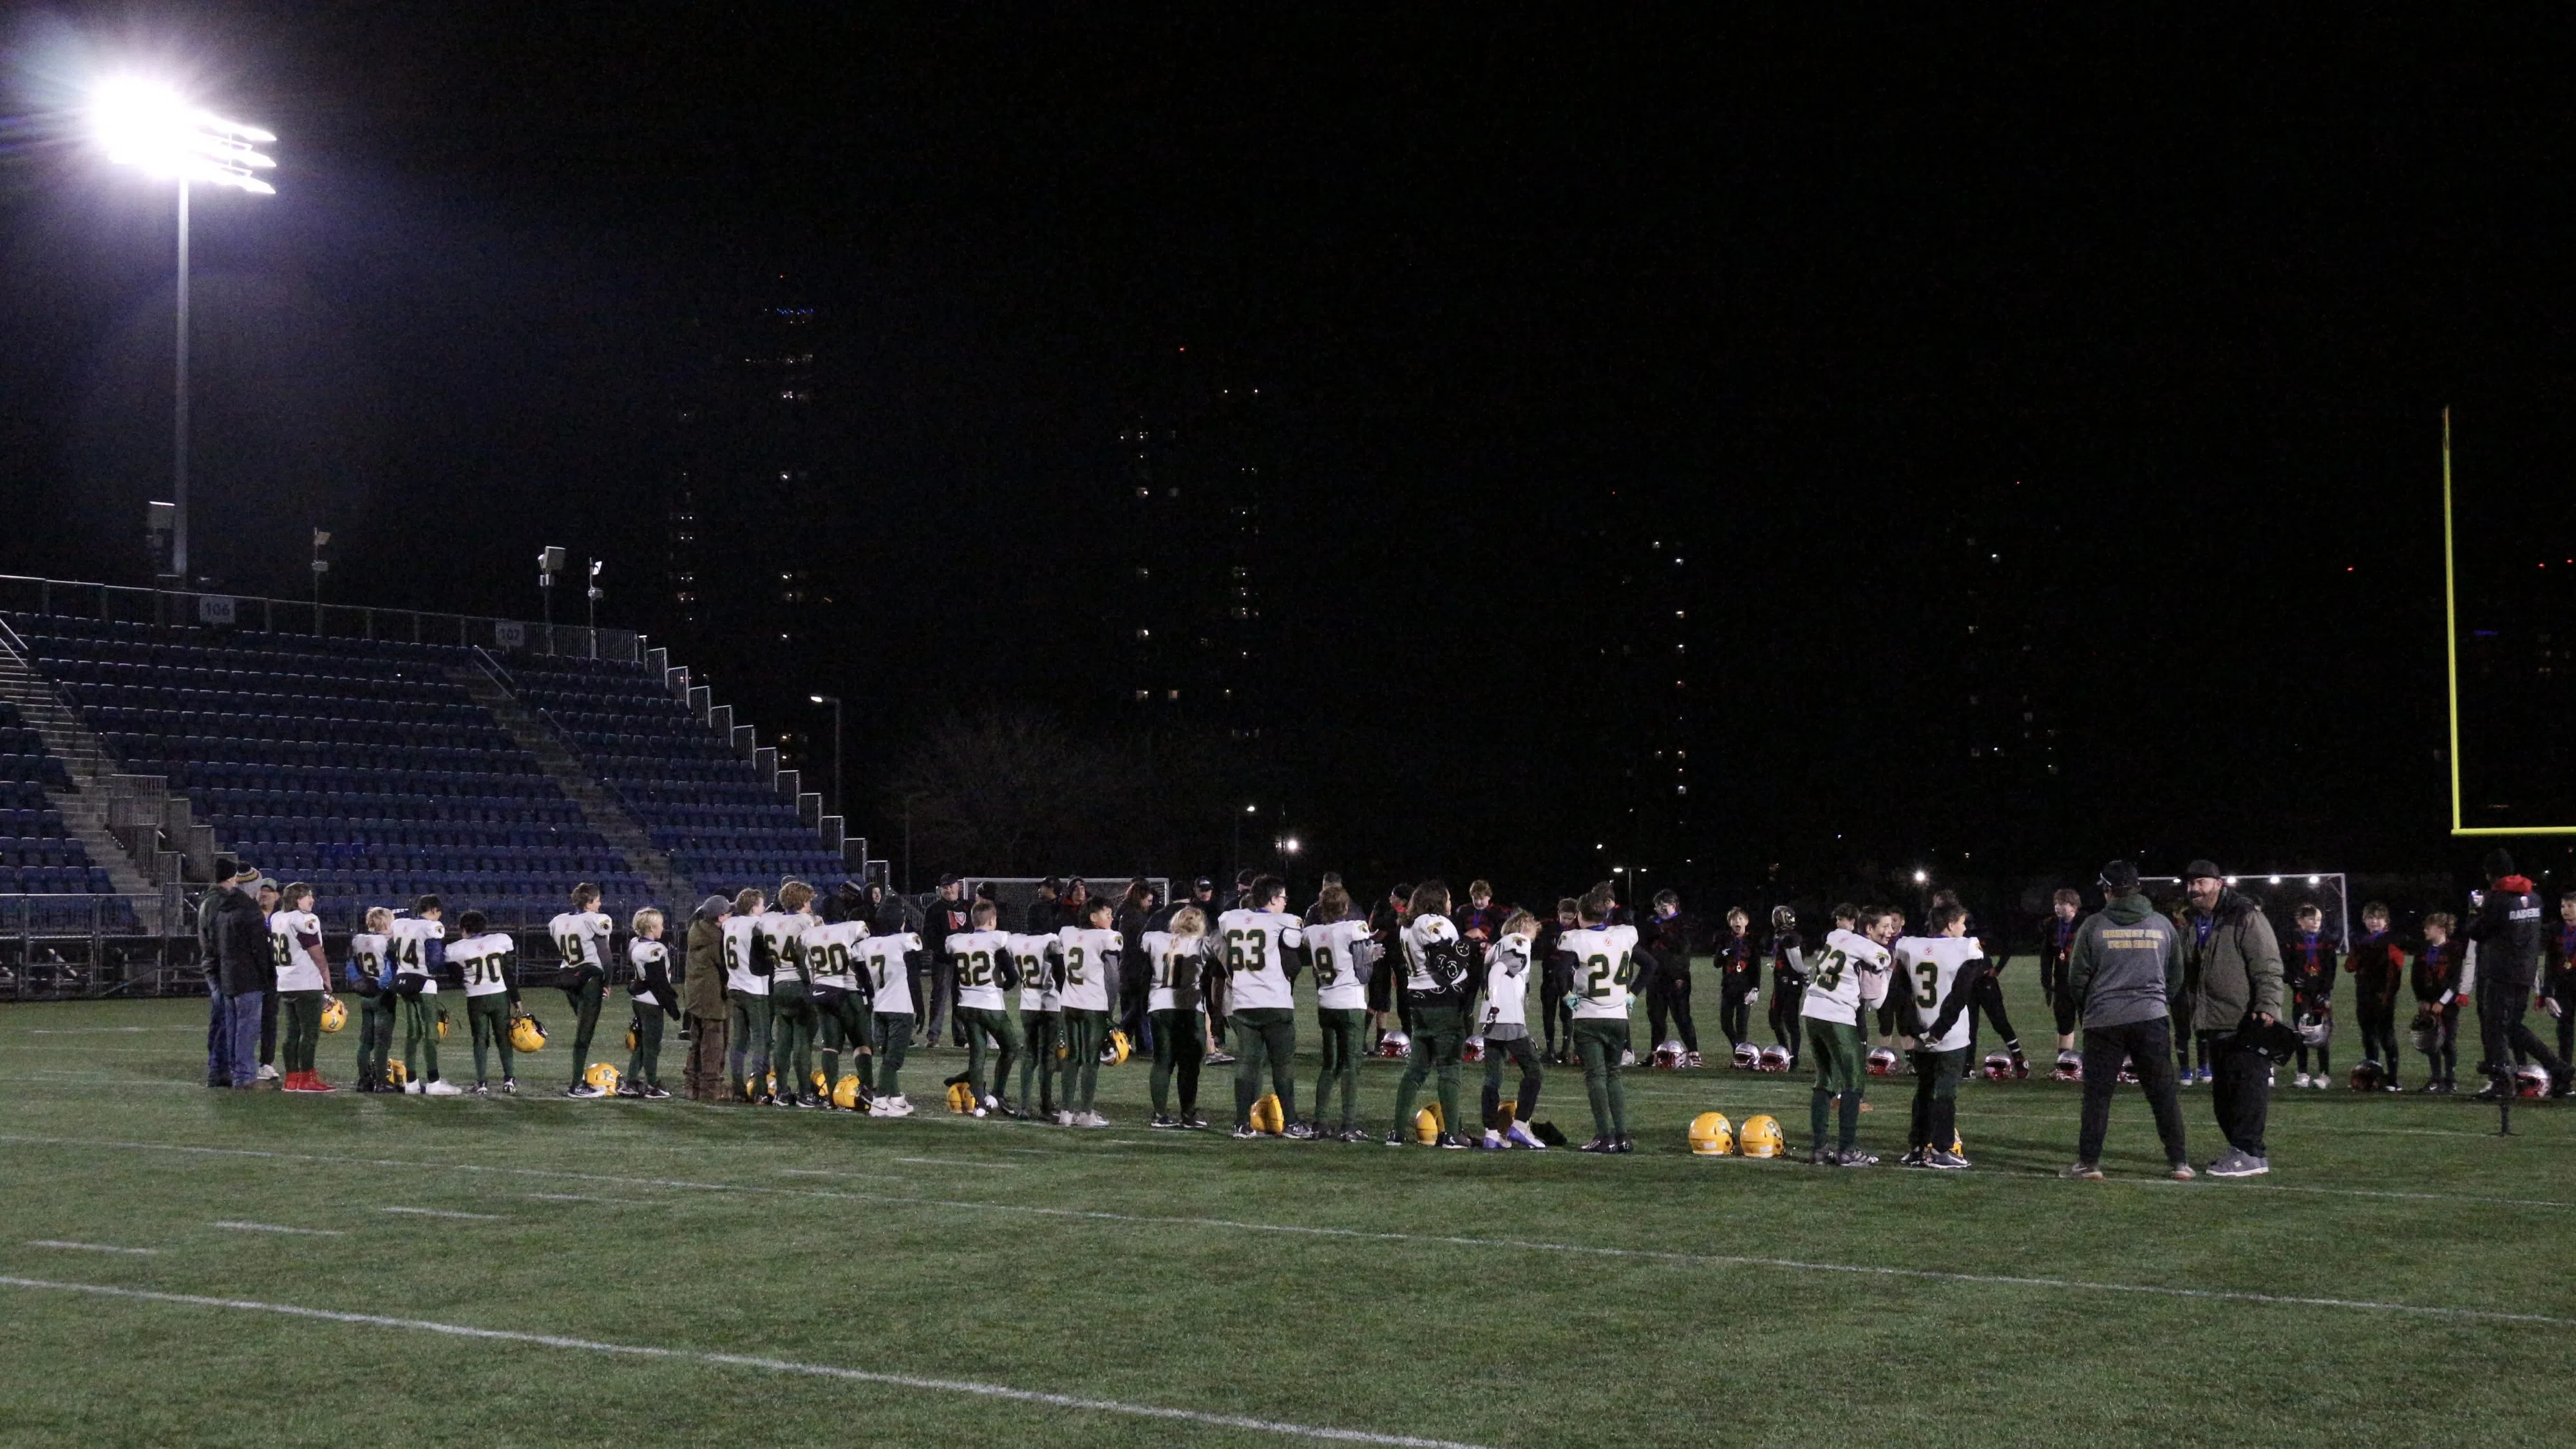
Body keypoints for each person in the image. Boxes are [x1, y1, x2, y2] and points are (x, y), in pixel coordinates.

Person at [2060, 861, 2192, 1180]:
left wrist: (2089, 1007)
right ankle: (2180, 1163)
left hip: (2104, 1020)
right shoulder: (2162, 924)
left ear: (2108, 890)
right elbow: (2176, 977)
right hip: (2151, 1018)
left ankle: (2090, 1163)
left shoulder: (2093, 925)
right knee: (2162, 1093)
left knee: (2098, 1096)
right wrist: (2156, 1002)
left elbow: (2076, 978)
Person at [2177, 861, 2285, 1178]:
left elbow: (2268, 965)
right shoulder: (2196, 922)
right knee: (2224, 1096)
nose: (2194, 888)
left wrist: (2267, 1006)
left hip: (2247, 1019)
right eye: (2190, 883)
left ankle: (2252, 1154)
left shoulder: (2246, 916)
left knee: (2248, 1090)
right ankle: (2239, 1150)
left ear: (2219, 884)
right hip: (2214, 1020)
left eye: (2201, 882)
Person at [2463, 849, 2573, 1101]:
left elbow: (2477, 932)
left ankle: (2503, 1081)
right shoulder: (2534, 897)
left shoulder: (2497, 899)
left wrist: (2474, 910)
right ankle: (2559, 1068)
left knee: (2495, 1027)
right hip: (2525, 971)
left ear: (2491, 874)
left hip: (2501, 972)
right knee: (2512, 1026)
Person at [1893, 901, 1987, 1169]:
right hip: (1950, 1034)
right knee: (1945, 1093)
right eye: (1962, 923)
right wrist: (1940, 1030)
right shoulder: (1964, 947)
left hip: (1921, 1033)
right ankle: (1942, 1151)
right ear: (1950, 924)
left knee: (1923, 1091)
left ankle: (1917, 1147)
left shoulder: (1909, 946)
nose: (1965, 928)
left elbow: (1900, 993)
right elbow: (1960, 994)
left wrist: (1915, 1030)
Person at [1803, 904, 1896, 1166]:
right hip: (1838, 1016)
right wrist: (1887, 965)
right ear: (1868, 927)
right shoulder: (1866, 947)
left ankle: (1819, 1149)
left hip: (1812, 1011)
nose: (1890, 931)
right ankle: (1847, 1150)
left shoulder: (1835, 936)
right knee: (1854, 1083)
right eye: (1885, 926)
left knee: (1824, 1081)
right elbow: (1876, 997)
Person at [1217, 875, 1309, 1138]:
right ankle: (1291, 1123)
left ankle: (1241, 1124)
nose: (1285, 903)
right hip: (1275, 1001)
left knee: (1246, 1064)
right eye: (1282, 898)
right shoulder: (1285, 922)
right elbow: (1293, 960)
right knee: (1283, 1066)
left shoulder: (1229, 919)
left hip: (1243, 1002)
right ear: (1272, 899)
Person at [1387, 880, 1473, 1148]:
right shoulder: (1435, 923)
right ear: (1437, 900)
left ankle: (1397, 1133)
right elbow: (1447, 969)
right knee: (1449, 1067)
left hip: (1417, 1001)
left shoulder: (1407, 924)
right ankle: (1451, 1134)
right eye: (1447, 898)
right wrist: (1468, 944)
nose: (1450, 903)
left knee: (1416, 1070)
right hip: (1442, 1002)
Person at [1561, 886, 1641, 1153]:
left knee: (1596, 1076)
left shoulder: (1574, 938)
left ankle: (1605, 1137)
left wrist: (1567, 995)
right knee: (1613, 1073)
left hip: (1589, 1015)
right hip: (1619, 1016)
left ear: (1581, 916)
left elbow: (1558, 972)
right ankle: (1623, 1136)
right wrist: (1631, 993)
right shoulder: (1624, 934)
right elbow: (1649, 963)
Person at [1303, 884, 1375, 1141]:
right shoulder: (1353, 928)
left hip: (1326, 1003)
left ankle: (1319, 1123)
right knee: (1351, 1066)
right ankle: (1348, 1125)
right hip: (1350, 1003)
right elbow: (1364, 972)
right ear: (1346, 908)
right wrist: (1371, 956)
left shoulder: (1311, 932)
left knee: (1329, 1065)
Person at [1475, 909, 1547, 1150]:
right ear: (1526, 927)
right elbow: (1498, 972)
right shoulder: (1519, 941)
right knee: (1534, 1070)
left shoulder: (1495, 947)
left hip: (1490, 1019)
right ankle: (1520, 1125)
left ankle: (1492, 1133)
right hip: (1506, 1018)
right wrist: (1497, 1001)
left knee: (1493, 1078)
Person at [945, 899, 1023, 1117]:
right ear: (993, 920)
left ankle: (980, 1102)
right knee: (1011, 1048)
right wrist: (1003, 987)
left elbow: (954, 977)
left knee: (977, 1056)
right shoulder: (996, 939)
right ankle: (997, 1093)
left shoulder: (957, 941)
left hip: (966, 1005)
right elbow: (1012, 977)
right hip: (990, 1005)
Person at [1142, 905, 1214, 1130]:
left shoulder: (1154, 938)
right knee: (1189, 1065)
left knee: (1163, 1062)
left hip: (1159, 1005)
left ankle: (1160, 1115)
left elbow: (1142, 947)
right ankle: (1188, 1114)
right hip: (1189, 1007)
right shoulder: (1202, 944)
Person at [1055, 896, 1124, 1126]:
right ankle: (1086, 1114)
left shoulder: (1066, 932)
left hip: (1069, 1003)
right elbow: (1113, 968)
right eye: (1107, 914)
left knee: (1071, 1057)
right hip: (1092, 1005)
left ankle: (1066, 1112)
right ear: (1094, 918)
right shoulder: (1107, 936)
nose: (1111, 918)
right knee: (1090, 1060)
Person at [805, 889, 873, 1105]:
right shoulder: (852, 928)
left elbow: (807, 964)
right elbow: (864, 949)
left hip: (822, 992)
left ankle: (832, 1094)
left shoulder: (809, 934)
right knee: (861, 1043)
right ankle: (868, 1089)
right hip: (848, 991)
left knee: (830, 1045)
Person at [385, 896, 459, 1095]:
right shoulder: (431, 927)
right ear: (434, 910)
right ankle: (434, 1081)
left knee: (413, 1032)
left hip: (403, 980)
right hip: (424, 982)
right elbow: (435, 960)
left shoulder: (400, 923)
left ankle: (411, 1082)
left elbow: (391, 952)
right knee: (430, 1031)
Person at [549, 884, 616, 1100]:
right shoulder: (594, 920)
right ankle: (576, 1085)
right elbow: (605, 954)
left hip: (569, 978)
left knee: (582, 1029)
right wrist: (608, 981)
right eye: (597, 900)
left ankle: (578, 1080)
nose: (600, 904)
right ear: (588, 903)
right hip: (589, 978)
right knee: (584, 1035)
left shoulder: (558, 920)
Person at [269, 882, 334, 1093]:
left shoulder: (278, 917)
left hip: (286, 982)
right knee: (309, 1032)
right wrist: (326, 975)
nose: (312, 900)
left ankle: (292, 1078)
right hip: (305, 981)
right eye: (308, 897)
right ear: (298, 899)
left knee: (292, 1032)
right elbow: (315, 950)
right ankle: (306, 1078)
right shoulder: (304, 919)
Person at [448, 909, 520, 1095]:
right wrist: (516, 998)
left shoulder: (456, 948)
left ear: (464, 929)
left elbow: (454, 976)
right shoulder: (498, 940)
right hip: (499, 995)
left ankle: (482, 1083)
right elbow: (507, 971)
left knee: (480, 1039)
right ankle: (509, 1079)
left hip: (476, 997)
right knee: (504, 1038)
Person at [762, 882, 821, 1108]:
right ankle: (805, 1093)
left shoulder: (769, 921)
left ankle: (781, 1092)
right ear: (802, 901)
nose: (811, 906)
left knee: (782, 1043)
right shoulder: (805, 922)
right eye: (809, 902)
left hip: (778, 984)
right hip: (799, 984)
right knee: (803, 1042)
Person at [211, 868, 270, 1090]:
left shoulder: (224, 909)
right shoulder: (251, 912)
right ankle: (245, 1075)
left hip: (228, 978)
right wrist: (268, 977)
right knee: (247, 1028)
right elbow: (259, 951)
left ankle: (235, 1071)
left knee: (233, 1027)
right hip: (248, 980)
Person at [861, 918, 922, 1115]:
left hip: (879, 1007)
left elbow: (857, 966)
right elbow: (918, 950)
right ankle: (879, 1102)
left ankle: (896, 1099)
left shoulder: (866, 944)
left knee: (887, 1056)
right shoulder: (902, 939)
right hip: (899, 1009)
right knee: (893, 1060)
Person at [620, 907, 679, 1099]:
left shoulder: (634, 943)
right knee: (652, 1046)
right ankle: (652, 1085)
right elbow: (658, 982)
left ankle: (630, 1082)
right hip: (652, 1001)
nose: (663, 928)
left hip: (639, 999)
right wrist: (672, 1007)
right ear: (652, 927)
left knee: (643, 1045)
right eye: (661, 925)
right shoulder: (656, 949)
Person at [2344, 902, 2405, 1088]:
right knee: (2368, 1036)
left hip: (2383, 995)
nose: (2374, 922)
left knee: (2386, 1036)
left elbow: (2397, 970)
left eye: (2379, 918)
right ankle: (2374, 1076)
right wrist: (2357, 953)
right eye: (2371, 918)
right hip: (2364, 994)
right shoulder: (2361, 940)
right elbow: (2349, 967)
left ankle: (2393, 1078)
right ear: (2365, 920)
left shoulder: (2392, 940)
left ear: (2386, 921)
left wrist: (2388, 994)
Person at [719, 887, 770, 1103]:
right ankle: (760, 1089)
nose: (764, 908)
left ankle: (738, 1088)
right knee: (761, 1040)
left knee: (739, 1041)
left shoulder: (729, 923)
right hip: (754, 988)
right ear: (753, 906)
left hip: (735, 986)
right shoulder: (757, 924)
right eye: (760, 904)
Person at [681, 895, 731, 1103]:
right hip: (711, 997)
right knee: (714, 1043)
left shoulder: (698, 929)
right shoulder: (716, 939)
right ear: (720, 917)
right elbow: (726, 968)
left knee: (698, 1041)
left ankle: (691, 1086)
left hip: (695, 995)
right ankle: (710, 1089)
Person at [1009, 925, 1061, 1121]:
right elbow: (1060, 972)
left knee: (1029, 1055)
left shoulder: (1016, 941)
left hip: (1027, 1003)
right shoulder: (1051, 940)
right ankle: (1046, 1107)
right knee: (1048, 1056)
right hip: (1050, 1003)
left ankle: (1024, 1107)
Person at [1646, 892, 1703, 1063]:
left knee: (1682, 1017)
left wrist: (1663, 930)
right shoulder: (1652, 923)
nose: (1661, 909)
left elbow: (1682, 947)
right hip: (1655, 976)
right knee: (1656, 1017)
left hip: (1677, 977)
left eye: (1665, 905)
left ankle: (1694, 1053)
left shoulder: (1684, 922)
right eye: (1658, 906)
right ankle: (1655, 1053)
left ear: (1675, 905)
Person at [2284, 904, 2336, 1089]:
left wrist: (2326, 992)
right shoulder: (2291, 939)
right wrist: (2292, 980)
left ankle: (2324, 1074)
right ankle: (2303, 1073)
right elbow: (2285, 964)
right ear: (2300, 921)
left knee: (2321, 1034)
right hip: (2301, 994)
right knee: (2301, 1034)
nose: (2316, 922)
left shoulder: (2327, 940)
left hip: (2320, 993)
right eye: (2312, 919)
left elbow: (2331, 968)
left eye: (2319, 919)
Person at [347, 907, 395, 1092]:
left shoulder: (358, 940)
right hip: (381, 994)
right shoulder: (388, 942)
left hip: (365, 993)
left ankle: (364, 1080)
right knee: (382, 1041)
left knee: (365, 1040)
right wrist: (381, 987)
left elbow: (351, 966)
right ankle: (381, 1082)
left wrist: (359, 983)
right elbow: (391, 968)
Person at [2412, 913, 2461, 1093]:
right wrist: (2421, 999)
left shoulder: (2454, 949)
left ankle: (2451, 1080)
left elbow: (2457, 979)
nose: (2425, 930)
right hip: (2428, 1005)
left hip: (2448, 1005)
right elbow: (2415, 977)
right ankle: (2436, 1078)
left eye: (2429, 927)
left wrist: (2443, 1002)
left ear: (2441, 930)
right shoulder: (2423, 950)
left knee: (2448, 1043)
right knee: (2431, 1042)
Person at [925, 874, 973, 1048]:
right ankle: (933, 1037)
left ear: (958, 886)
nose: (948, 889)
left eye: (951, 886)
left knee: (961, 998)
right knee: (939, 997)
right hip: (943, 961)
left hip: (964, 961)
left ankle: (960, 1037)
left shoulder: (968, 907)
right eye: (945, 887)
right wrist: (943, 951)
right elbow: (928, 937)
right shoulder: (934, 909)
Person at [2036, 887, 2083, 1065]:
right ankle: (2065, 1063)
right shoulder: (2052, 925)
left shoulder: (2086, 923)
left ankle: (2096, 1063)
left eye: (2062, 903)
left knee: (2090, 1023)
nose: (2057, 907)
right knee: (2064, 1022)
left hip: (2085, 982)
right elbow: (2046, 955)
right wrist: (2046, 981)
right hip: (2063, 981)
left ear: (2073, 906)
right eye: (2056, 903)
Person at [1537, 897, 1578, 1063]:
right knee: (1548, 1014)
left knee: (1567, 1014)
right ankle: (1550, 1050)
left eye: (1570, 918)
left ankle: (1566, 1050)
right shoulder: (1549, 927)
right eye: (1564, 917)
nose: (1567, 921)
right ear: (1558, 914)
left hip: (1568, 979)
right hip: (1548, 977)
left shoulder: (1578, 931)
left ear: (1576, 916)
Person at [1765, 904, 1806, 1066]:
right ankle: (1785, 1051)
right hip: (1781, 983)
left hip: (1791, 983)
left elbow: (1797, 963)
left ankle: (1794, 1058)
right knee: (1774, 1018)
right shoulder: (1781, 935)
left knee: (1790, 1021)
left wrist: (1806, 975)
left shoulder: (1790, 937)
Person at [252, 878, 282, 1083]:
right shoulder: (251, 916)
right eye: (262, 890)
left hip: (274, 977)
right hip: (252, 976)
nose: (264, 894)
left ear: (277, 896)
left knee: (269, 1021)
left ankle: (266, 1063)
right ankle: (242, 1062)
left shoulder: (282, 919)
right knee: (248, 1021)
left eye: (269, 891)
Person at [2548, 892, 2576, 1070]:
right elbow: (2551, 962)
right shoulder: (2557, 931)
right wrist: (2546, 991)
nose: (2565, 910)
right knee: (2564, 1031)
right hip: (2564, 987)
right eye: (2563, 906)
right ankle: (2564, 1073)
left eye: (2570, 906)